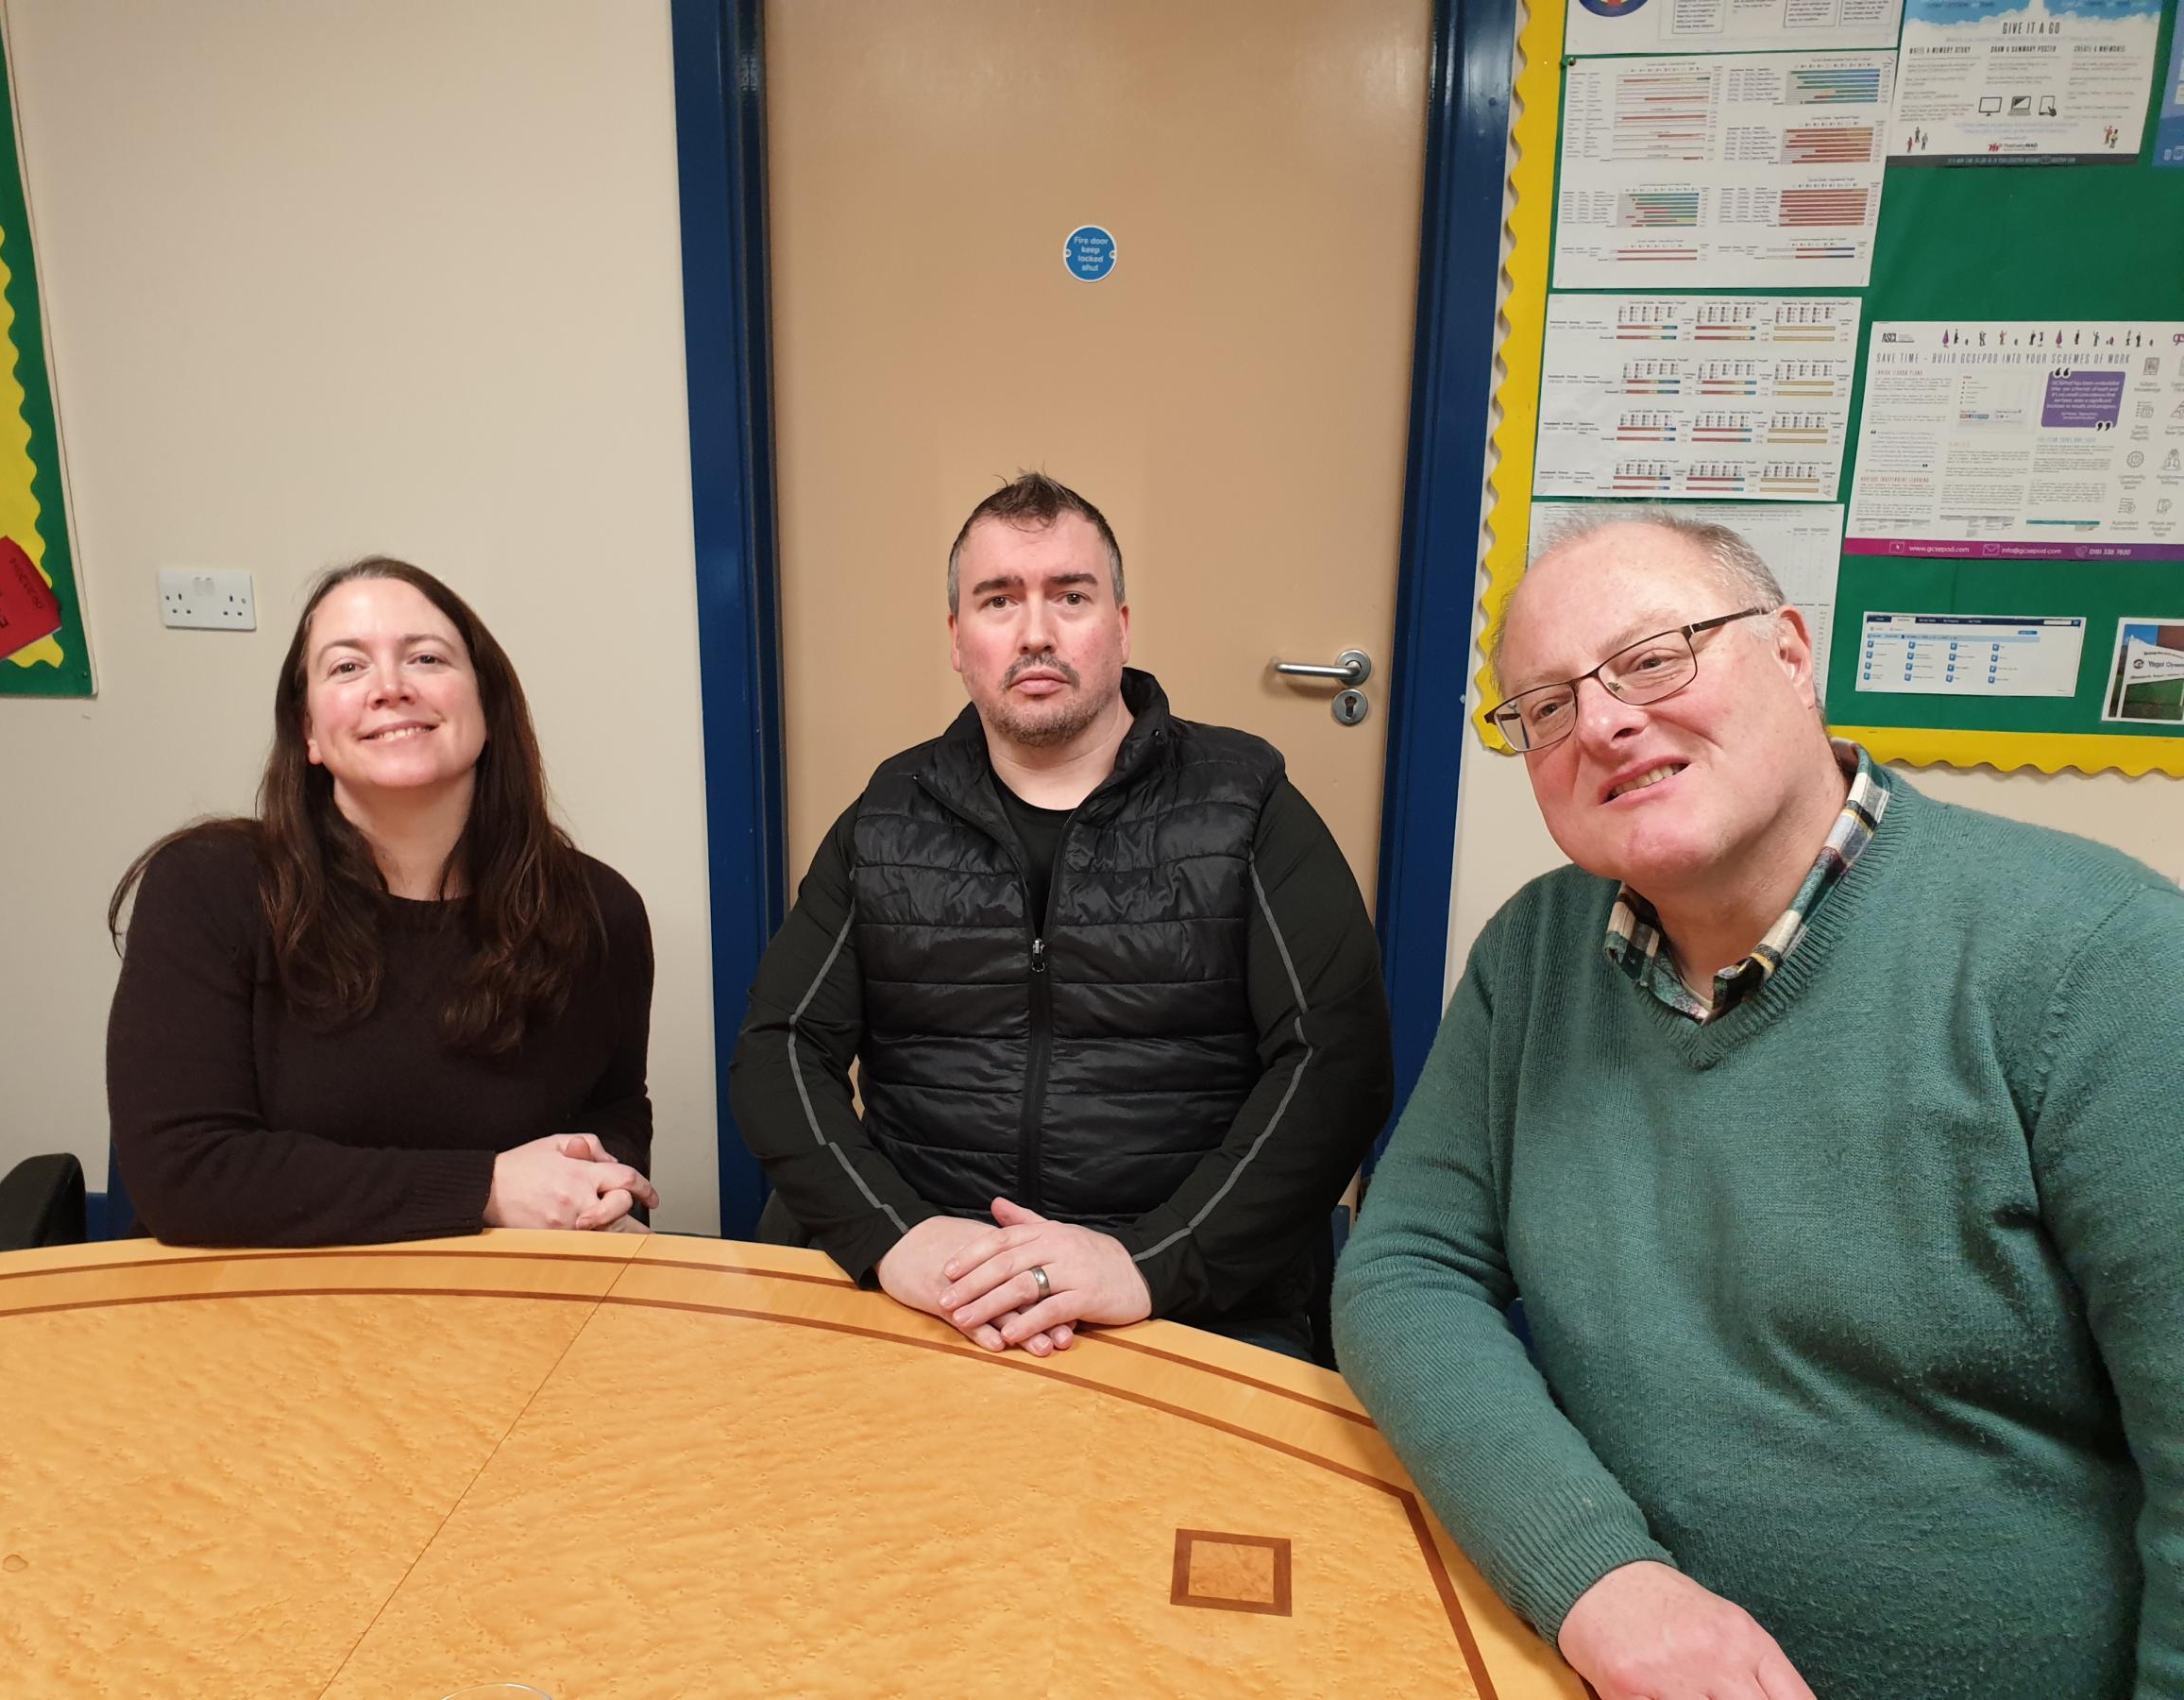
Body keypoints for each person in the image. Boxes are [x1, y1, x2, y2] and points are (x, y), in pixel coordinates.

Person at [1332, 512, 2183, 1699]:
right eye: (1545, 707)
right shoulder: (1534, 954)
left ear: (1790, 654)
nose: (1606, 724)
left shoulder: (2099, 960)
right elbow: (1405, 1268)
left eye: (1653, 658)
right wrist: (1598, 1581)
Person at [730, 472, 1392, 1360]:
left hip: (1186, 1299)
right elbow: (779, 1049)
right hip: (933, 1290)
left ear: (1120, 624)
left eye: (1069, 596)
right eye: (998, 600)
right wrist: (897, 1237)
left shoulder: (1246, 804)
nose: (1035, 631)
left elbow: (1337, 1064)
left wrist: (1148, 1262)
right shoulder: (889, 816)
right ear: (957, 640)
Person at [107, 557, 659, 1246]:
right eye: (346, 668)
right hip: (246, 1306)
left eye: (426, 658)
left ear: (489, 706)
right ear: (308, 731)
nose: (390, 688)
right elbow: (185, 1174)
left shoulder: (598, 910)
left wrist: (598, 1186)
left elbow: (613, 1108)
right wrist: (484, 1189)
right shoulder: (208, 885)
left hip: (507, 1309)